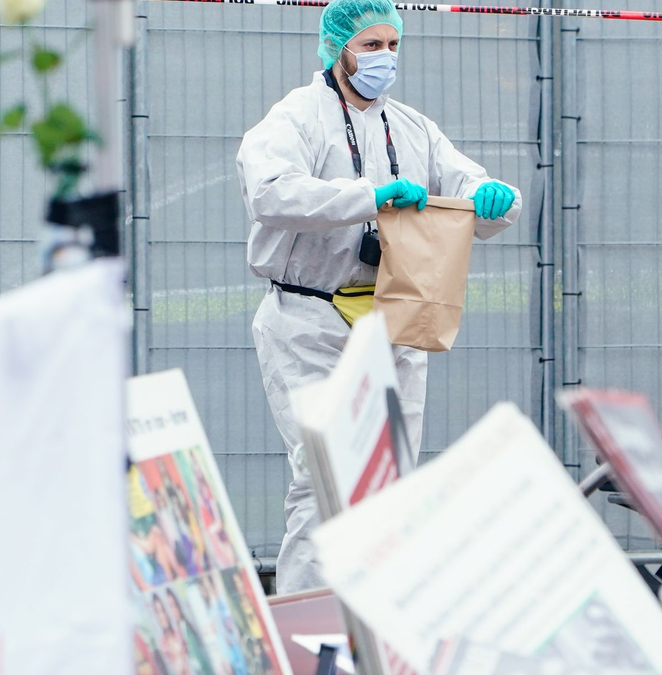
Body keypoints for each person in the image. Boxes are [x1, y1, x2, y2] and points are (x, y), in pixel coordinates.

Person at [235, 0, 522, 593]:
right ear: (336, 47)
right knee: (326, 477)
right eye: (370, 45)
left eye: (392, 44)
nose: (383, 57)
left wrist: (493, 196)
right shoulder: (298, 117)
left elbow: (475, 188)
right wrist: (369, 196)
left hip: (395, 319)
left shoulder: (413, 127)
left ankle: (372, 631)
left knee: (389, 486)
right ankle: (303, 630)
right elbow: (270, 193)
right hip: (310, 317)